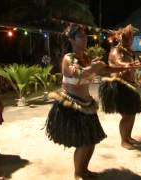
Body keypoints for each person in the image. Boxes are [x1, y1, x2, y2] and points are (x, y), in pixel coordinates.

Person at [44, 24, 107, 180]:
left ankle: (84, 170)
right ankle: (78, 173)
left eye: (85, 36)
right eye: (80, 36)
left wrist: (125, 67)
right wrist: (94, 67)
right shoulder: (68, 58)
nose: (85, 39)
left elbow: (104, 70)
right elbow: (78, 73)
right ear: (72, 40)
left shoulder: (86, 58)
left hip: (87, 105)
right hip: (73, 105)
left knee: (91, 141)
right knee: (82, 143)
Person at [98, 24, 141, 150]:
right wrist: (128, 65)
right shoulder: (115, 50)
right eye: (129, 38)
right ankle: (123, 141)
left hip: (130, 86)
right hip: (119, 87)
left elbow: (140, 61)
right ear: (122, 39)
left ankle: (128, 137)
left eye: (132, 38)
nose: (131, 40)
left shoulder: (129, 51)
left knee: (132, 113)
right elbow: (119, 62)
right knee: (126, 115)